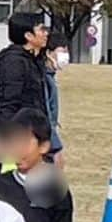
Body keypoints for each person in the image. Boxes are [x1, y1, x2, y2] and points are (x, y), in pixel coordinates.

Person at [0, 13, 49, 127]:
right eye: (41, 30)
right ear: (28, 35)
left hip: (33, 129)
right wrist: (8, 136)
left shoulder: (34, 60)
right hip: (19, 132)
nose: (46, 34)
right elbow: (8, 102)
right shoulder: (14, 62)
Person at [42, 34, 68, 163]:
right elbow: (46, 113)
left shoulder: (50, 78)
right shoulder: (44, 79)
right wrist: (55, 145)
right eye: (62, 51)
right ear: (48, 53)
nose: (66, 55)